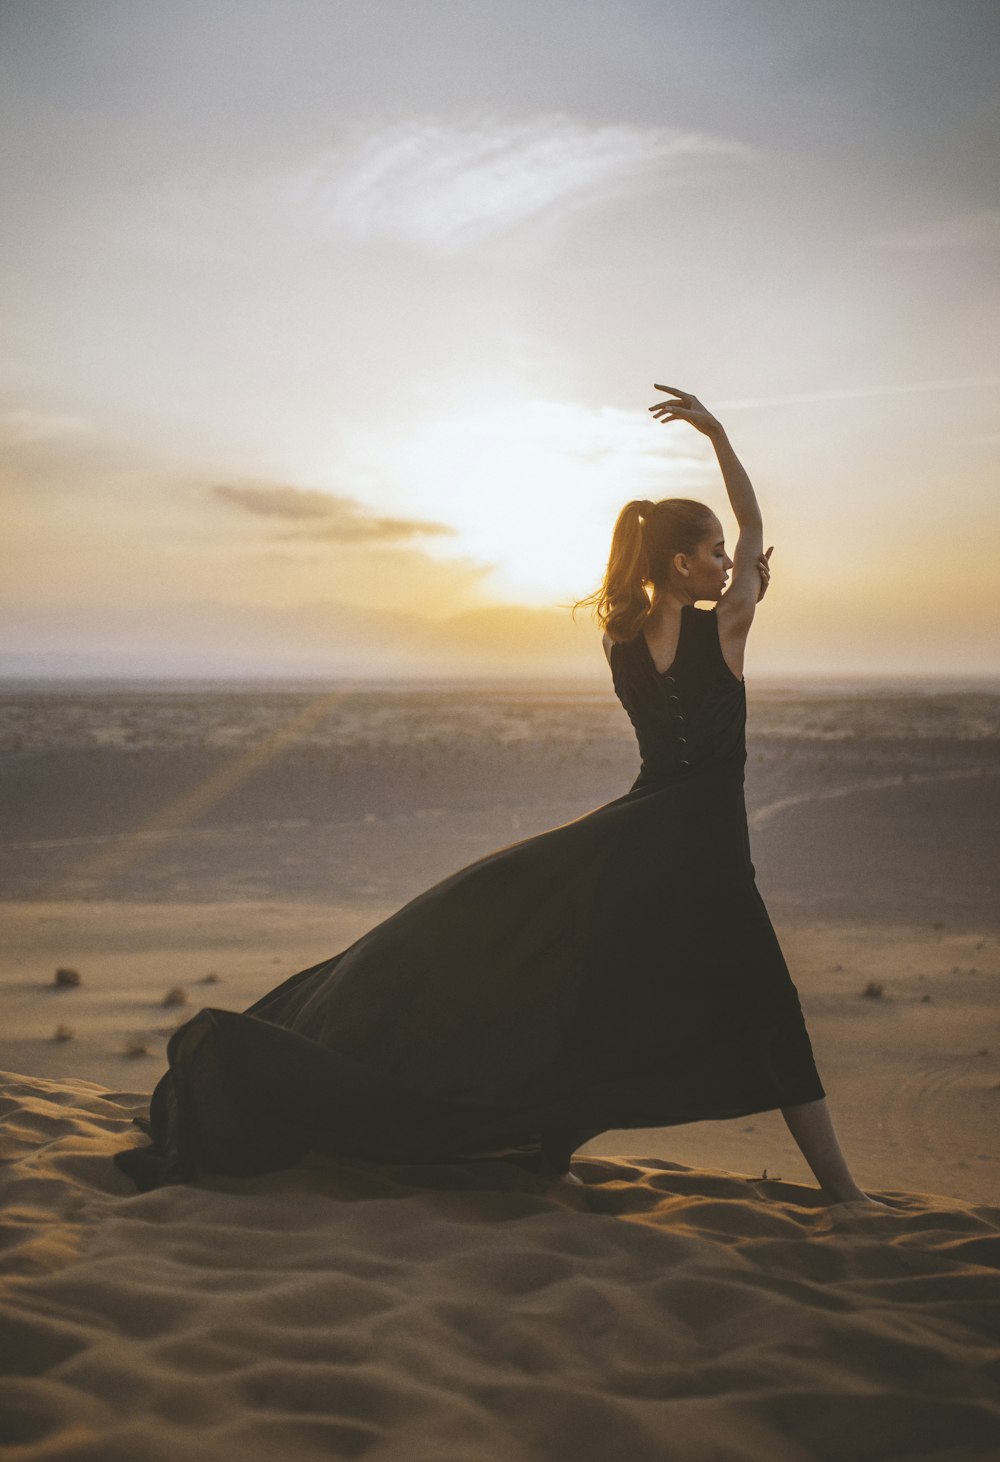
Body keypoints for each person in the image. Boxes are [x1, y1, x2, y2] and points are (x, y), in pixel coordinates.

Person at [115, 384, 874, 1206]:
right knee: (768, 1014)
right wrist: (719, 435)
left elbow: (735, 557)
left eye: (729, 556)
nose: (732, 561)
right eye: (716, 553)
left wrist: (737, 576)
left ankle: (548, 1152)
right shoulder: (725, 628)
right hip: (705, 849)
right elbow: (759, 527)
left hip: (638, 839)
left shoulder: (621, 635)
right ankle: (845, 1196)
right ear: (683, 563)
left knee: (588, 996)